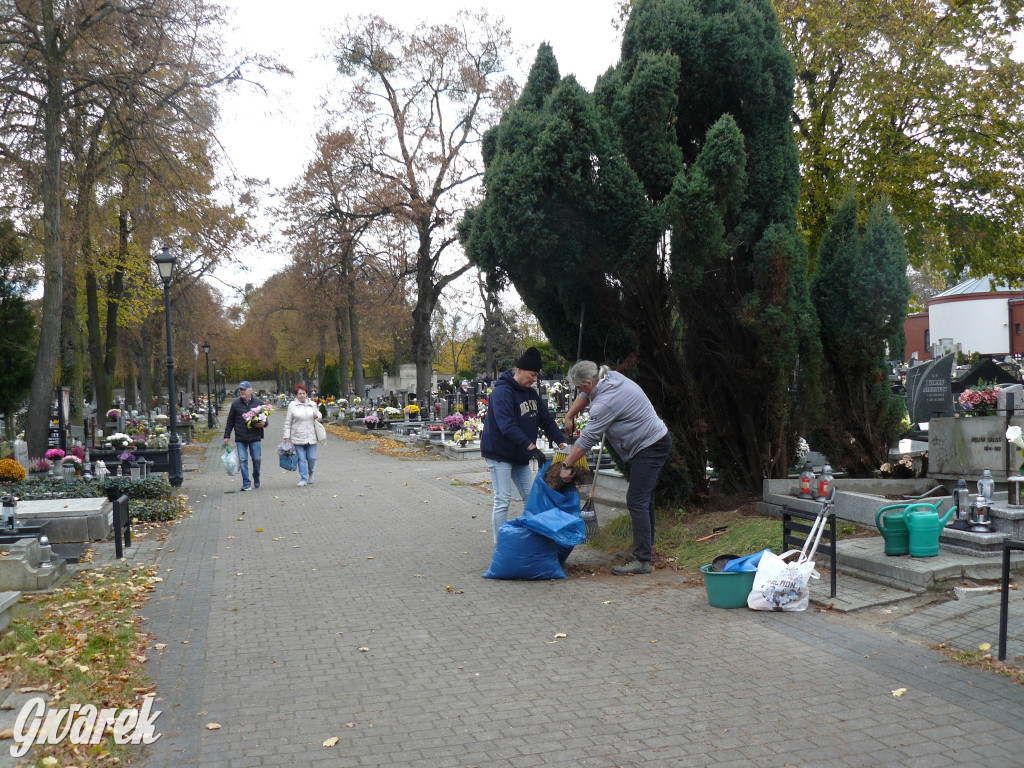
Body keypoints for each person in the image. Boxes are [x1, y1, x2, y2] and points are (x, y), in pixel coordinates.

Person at [558, 361, 671, 575]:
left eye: (580, 387)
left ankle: (642, 560)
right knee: (644, 499)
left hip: (650, 446)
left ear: (589, 382)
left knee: (637, 500)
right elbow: (586, 396)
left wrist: (567, 465)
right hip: (653, 441)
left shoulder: (605, 403)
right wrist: (570, 415)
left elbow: (587, 439)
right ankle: (645, 549)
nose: (580, 392)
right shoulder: (609, 377)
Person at [481, 346, 568, 543]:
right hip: (499, 453)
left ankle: (533, 541)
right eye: (532, 374)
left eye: (537, 376)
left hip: (519, 455)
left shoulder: (531, 394)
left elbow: (546, 420)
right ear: (519, 370)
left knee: (531, 497)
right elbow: (506, 425)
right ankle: (501, 545)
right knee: (503, 499)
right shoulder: (502, 392)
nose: (534, 379)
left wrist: (561, 442)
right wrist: (530, 446)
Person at [223, 381, 268, 491]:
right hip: (241, 437)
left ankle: (256, 476)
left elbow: (265, 420)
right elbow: (230, 421)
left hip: (255, 436)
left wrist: (263, 424)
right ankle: (246, 483)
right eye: (241, 390)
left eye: (244, 389)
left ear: (250, 390)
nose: (242, 392)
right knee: (243, 460)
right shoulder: (235, 404)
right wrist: (226, 436)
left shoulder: (258, 403)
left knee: (257, 459)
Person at [282, 383, 322, 487]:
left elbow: (320, 415)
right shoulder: (292, 406)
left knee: (311, 458)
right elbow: (288, 423)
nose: (302, 395)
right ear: (296, 395)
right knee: (301, 459)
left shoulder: (312, 404)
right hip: (298, 437)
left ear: (306, 394)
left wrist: (317, 415)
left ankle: (311, 473)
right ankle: (303, 478)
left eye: (304, 393)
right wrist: (287, 437)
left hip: (311, 436)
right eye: (300, 394)